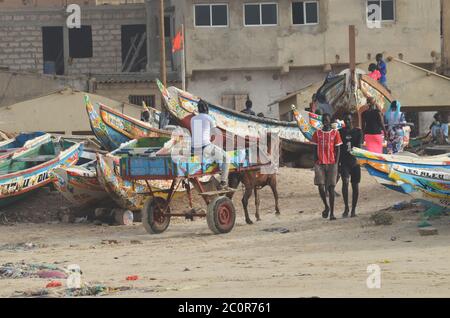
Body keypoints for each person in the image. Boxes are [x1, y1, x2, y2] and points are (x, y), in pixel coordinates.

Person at [191, 99, 230, 190]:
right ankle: (223, 182)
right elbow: (216, 133)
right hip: (205, 147)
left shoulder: (193, 119)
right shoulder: (209, 118)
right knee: (226, 157)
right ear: (206, 109)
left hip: (193, 148)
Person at [312, 113, 343, 221]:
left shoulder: (335, 133)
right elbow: (314, 148)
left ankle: (332, 213)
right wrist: (314, 162)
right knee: (320, 186)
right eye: (324, 120)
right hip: (320, 163)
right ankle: (326, 206)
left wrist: (337, 164)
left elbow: (338, 149)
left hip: (332, 163)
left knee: (331, 188)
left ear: (330, 121)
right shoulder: (317, 133)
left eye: (327, 119)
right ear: (322, 121)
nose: (325, 121)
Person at [339, 113, 362, 218]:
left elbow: (359, 147)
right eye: (345, 120)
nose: (347, 122)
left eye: (349, 120)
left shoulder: (358, 132)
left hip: (355, 162)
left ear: (352, 120)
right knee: (345, 182)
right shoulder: (340, 132)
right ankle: (346, 207)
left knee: (355, 185)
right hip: (344, 161)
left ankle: (353, 209)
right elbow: (338, 147)